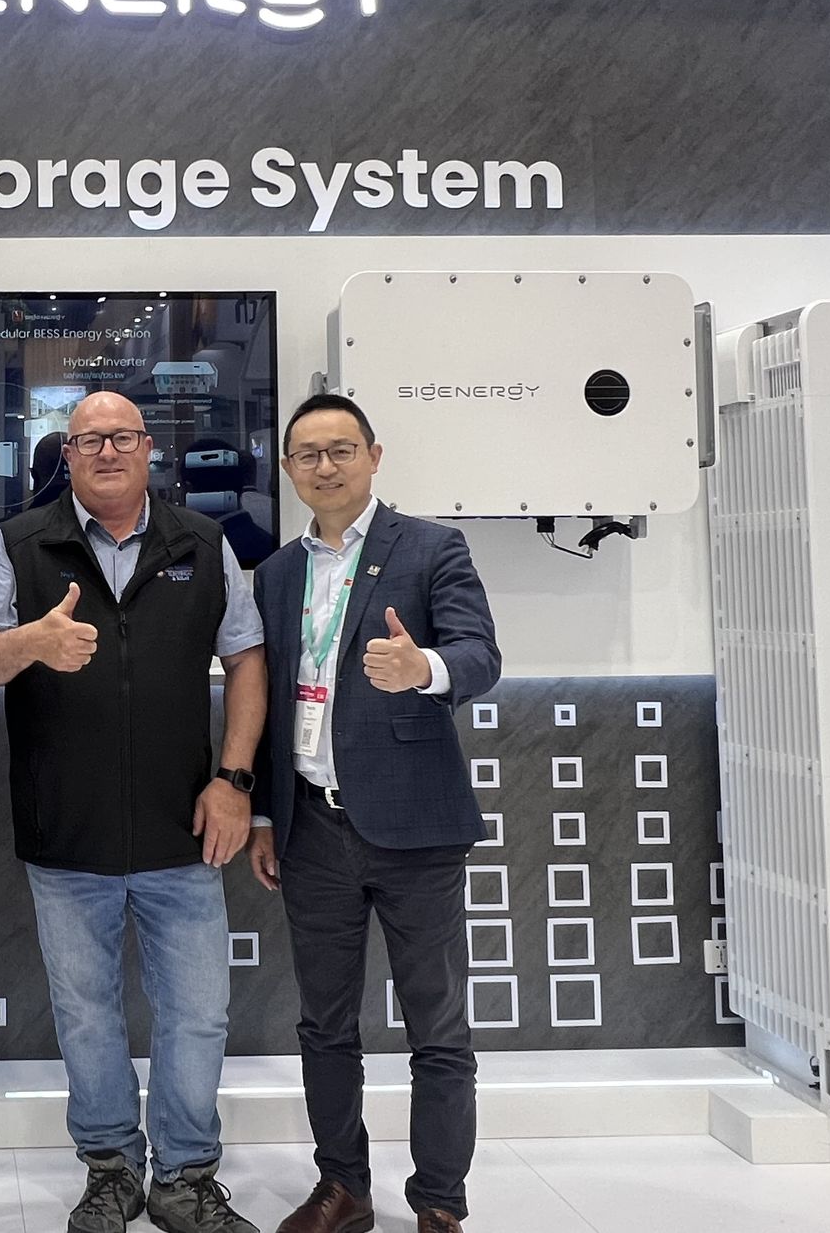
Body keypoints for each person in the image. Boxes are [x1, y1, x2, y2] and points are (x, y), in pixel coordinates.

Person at [0, 392, 267, 1233]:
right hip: (67, 830)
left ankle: (185, 1176)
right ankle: (111, 1170)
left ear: (148, 448)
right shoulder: (19, 545)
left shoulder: (203, 544)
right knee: (88, 1013)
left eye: (121, 437)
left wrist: (235, 780)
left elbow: (246, 656)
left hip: (185, 827)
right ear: (68, 453)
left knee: (198, 1011)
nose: (105, 451)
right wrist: (31, 643)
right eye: (88, 438)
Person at [247, 394, 500, 1233]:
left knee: (437, 1024)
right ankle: (344, 1187)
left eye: (342, 449)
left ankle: (439, 1201)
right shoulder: (277, 573)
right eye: (309, 453)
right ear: (289, 469)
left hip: (414, 829)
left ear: (374, 456)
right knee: (324, 1022)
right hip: (312, 827)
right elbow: (275, 697)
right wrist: (262, 818)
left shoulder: (431, 548)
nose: (326, 465)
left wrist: (421, 665)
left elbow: (479, 654)